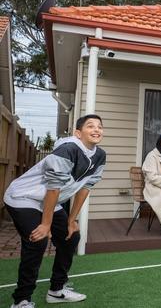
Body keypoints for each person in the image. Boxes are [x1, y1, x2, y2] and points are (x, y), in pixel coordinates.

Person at [3, 114, 106, 307]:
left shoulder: (100, 155)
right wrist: (46, 224)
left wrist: (71, 220)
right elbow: (53, 187)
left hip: (50, 200)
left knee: (71, 237)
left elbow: (85, 188)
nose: (96, 129)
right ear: (78, 133)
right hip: (24, 197)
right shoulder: (67, 149)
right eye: (90, 126)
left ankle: (56, 290)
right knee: (38, 238)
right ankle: (21, 300)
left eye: (100, 126)